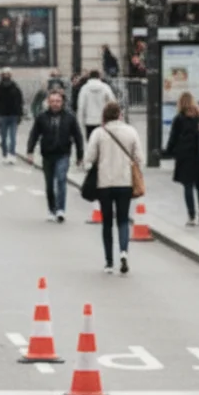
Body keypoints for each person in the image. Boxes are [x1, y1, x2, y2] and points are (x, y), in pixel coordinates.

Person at [84, 101, 142, 275]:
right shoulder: (131, 131)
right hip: (125, 182)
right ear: (120, 115)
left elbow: (90, 157)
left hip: (105, 183)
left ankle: (109, 262)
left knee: (107, 223)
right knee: (123, 220)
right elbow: (139, 157)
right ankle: (123, 252)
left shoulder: (99, 133)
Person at [27, 91, 84, 222]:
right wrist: (30, 151)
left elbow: (78, 136)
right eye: (52, 101)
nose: (55, 104)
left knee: (61, 179)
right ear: (48, 102)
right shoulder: (42, 117)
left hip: (63, 153)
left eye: (57, 101)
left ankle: (60, 209)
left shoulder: (69, 117)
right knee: (49, 185)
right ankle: (51, 209)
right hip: (47, 155)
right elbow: (34, 134)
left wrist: (80, 155)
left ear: (62, 102)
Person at [163, 91, 199, 226]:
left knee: (188, 186)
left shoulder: (179, 119)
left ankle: (191, 216)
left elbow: (173, 138)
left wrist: (167, 152)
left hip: (185, 156)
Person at [0, 68, 24, 164]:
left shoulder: (14, 87)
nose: (6, 76)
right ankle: (7, 154)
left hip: (11, 115)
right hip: (5, 115)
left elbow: (19, 102)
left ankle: (10, 154)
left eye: (7, 74)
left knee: (10, 137)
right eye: (5, 74)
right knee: (5, 137)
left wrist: (20, 114)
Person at [78, 70, 117, 140]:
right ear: (99, 77)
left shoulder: (84, 88)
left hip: (89, 121)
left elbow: (81, 106)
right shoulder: (105, 87)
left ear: (89, 77)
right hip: (104, 120)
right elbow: (113, 103)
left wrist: (80, 121)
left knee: (91, 143)